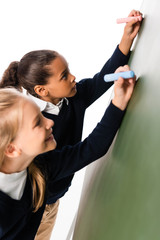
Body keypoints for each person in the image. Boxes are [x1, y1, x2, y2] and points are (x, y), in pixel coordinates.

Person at [0, 9, 142, 239]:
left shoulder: (42, 167)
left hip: (50, 201)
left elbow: (90, 147)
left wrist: (126, 39)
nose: (50, 123)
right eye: (64, 76)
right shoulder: (34, 166)